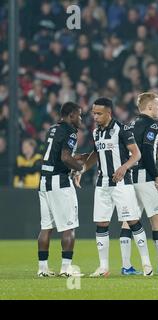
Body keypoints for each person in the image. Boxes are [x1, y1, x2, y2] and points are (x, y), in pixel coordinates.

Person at [74, 97, 153, 277]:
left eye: (98, 113)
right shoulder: (96, 133)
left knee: (133, 221)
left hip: (121, 184)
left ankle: (147, 264)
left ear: (109, 113)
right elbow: (96, 154)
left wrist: (124, 167)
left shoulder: (122, 129)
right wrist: (83, 170)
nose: (95, 116)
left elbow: (137, 154)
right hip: (102, 184)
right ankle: (103, 268)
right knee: (101, 223)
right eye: (93, 113)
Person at [119, 92, 158, 275]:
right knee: (157, 218)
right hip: (145, 178)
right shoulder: (152, 124)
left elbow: (133, 150)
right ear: (150, 107)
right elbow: (145, 151)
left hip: (129, 177)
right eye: (157, 105)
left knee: (128, 220)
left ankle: (126, 266)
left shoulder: (129, 124)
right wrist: (156, 176)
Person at [37, 102, 84, 277]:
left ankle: (42, 269)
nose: (81, 118)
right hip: (59, 182)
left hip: (44, 181)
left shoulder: (53, 128)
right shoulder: (70, 131)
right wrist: (80, 168)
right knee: (68, 227)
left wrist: (73, 160)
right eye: (79, 115)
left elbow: (56, 154)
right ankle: (66, 269)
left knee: (46, 227)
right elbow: (65, 157)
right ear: (71, 115)